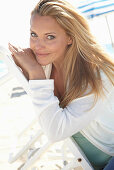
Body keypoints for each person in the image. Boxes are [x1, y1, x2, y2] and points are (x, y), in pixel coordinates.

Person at [8, 0, 114, 169]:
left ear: (70, 38)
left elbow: (55, 132)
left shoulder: (97, 74)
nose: (38, 45)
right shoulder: (47, 66)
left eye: (50, 37)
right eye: (34, 34)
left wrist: (36, 74)